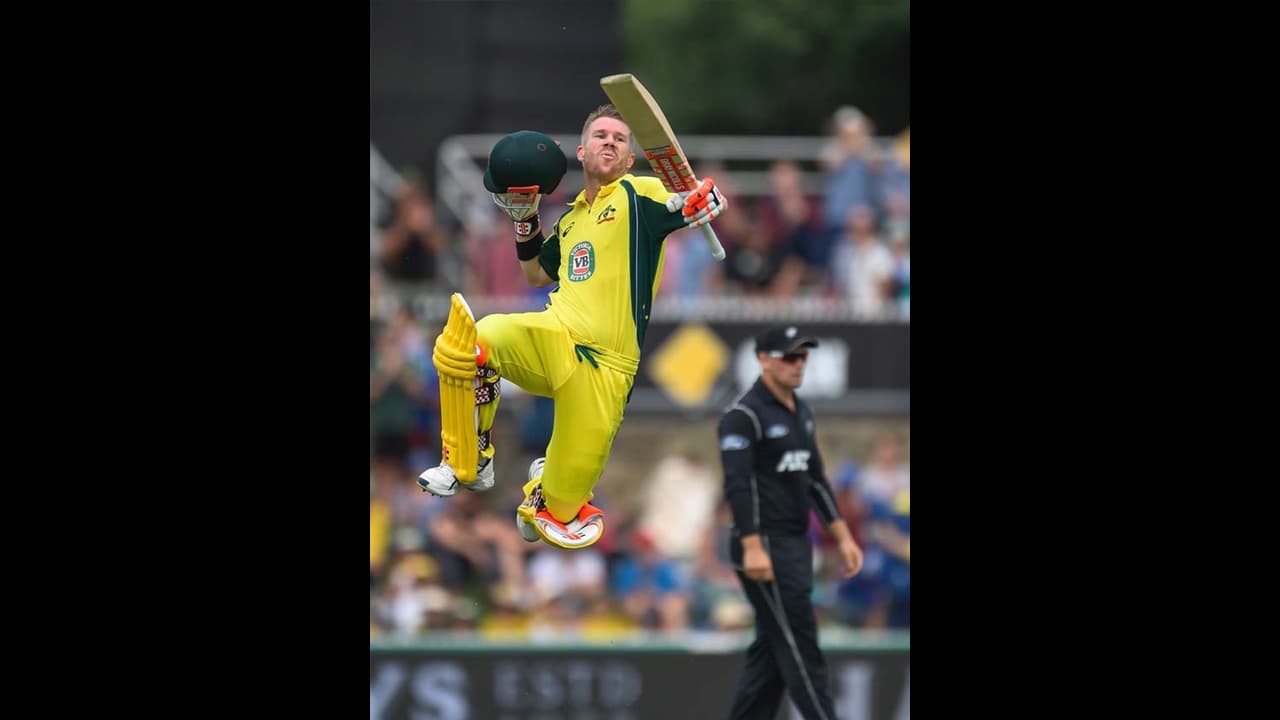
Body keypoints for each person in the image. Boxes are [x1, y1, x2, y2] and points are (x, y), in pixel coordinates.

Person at [417, 106, 727, 551]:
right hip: (555, 334)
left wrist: (707, 201)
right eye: (601, 135)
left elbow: (689, 201)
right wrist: (525, 220)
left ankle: (547, 484)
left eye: (620, 139)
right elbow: (536, 275)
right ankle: (469, 460)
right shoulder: (571, 218)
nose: (610, 142)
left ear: (630, 159)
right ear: (582, 152)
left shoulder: (640, 195)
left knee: (553, 517)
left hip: (606, 369)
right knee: (471, 342)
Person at [717, 325, 864, 720]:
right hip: (764, 545)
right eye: (789, 356)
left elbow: (814, 478)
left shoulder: (801, 411)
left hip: (795, 543)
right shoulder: (743, 416)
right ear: (763, 359)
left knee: (772, 650)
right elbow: (738, 485)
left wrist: (844, 537)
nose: (798, 364)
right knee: (801, 646)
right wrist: (751, 545)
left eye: (803, 356)